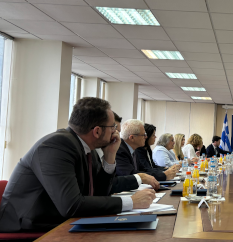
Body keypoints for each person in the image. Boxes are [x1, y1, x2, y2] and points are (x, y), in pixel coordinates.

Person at [0, 98, 155, 232]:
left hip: (58, 221)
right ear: (97, 131)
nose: (115, 133)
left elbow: (98, 194)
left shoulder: (87, 148)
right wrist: (131, 201)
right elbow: (71, 206)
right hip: (28, 225)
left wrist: (109, 156)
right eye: (113, 128)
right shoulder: (56, 146)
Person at [110, 112, 159, 192]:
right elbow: (129, 174)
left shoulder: (134, 149)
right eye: (143, 135)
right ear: (132, 138)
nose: (146, 137)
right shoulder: (119, 149)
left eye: (117, 132)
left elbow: (144, 169)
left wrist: (163, 174)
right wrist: (163, 175)